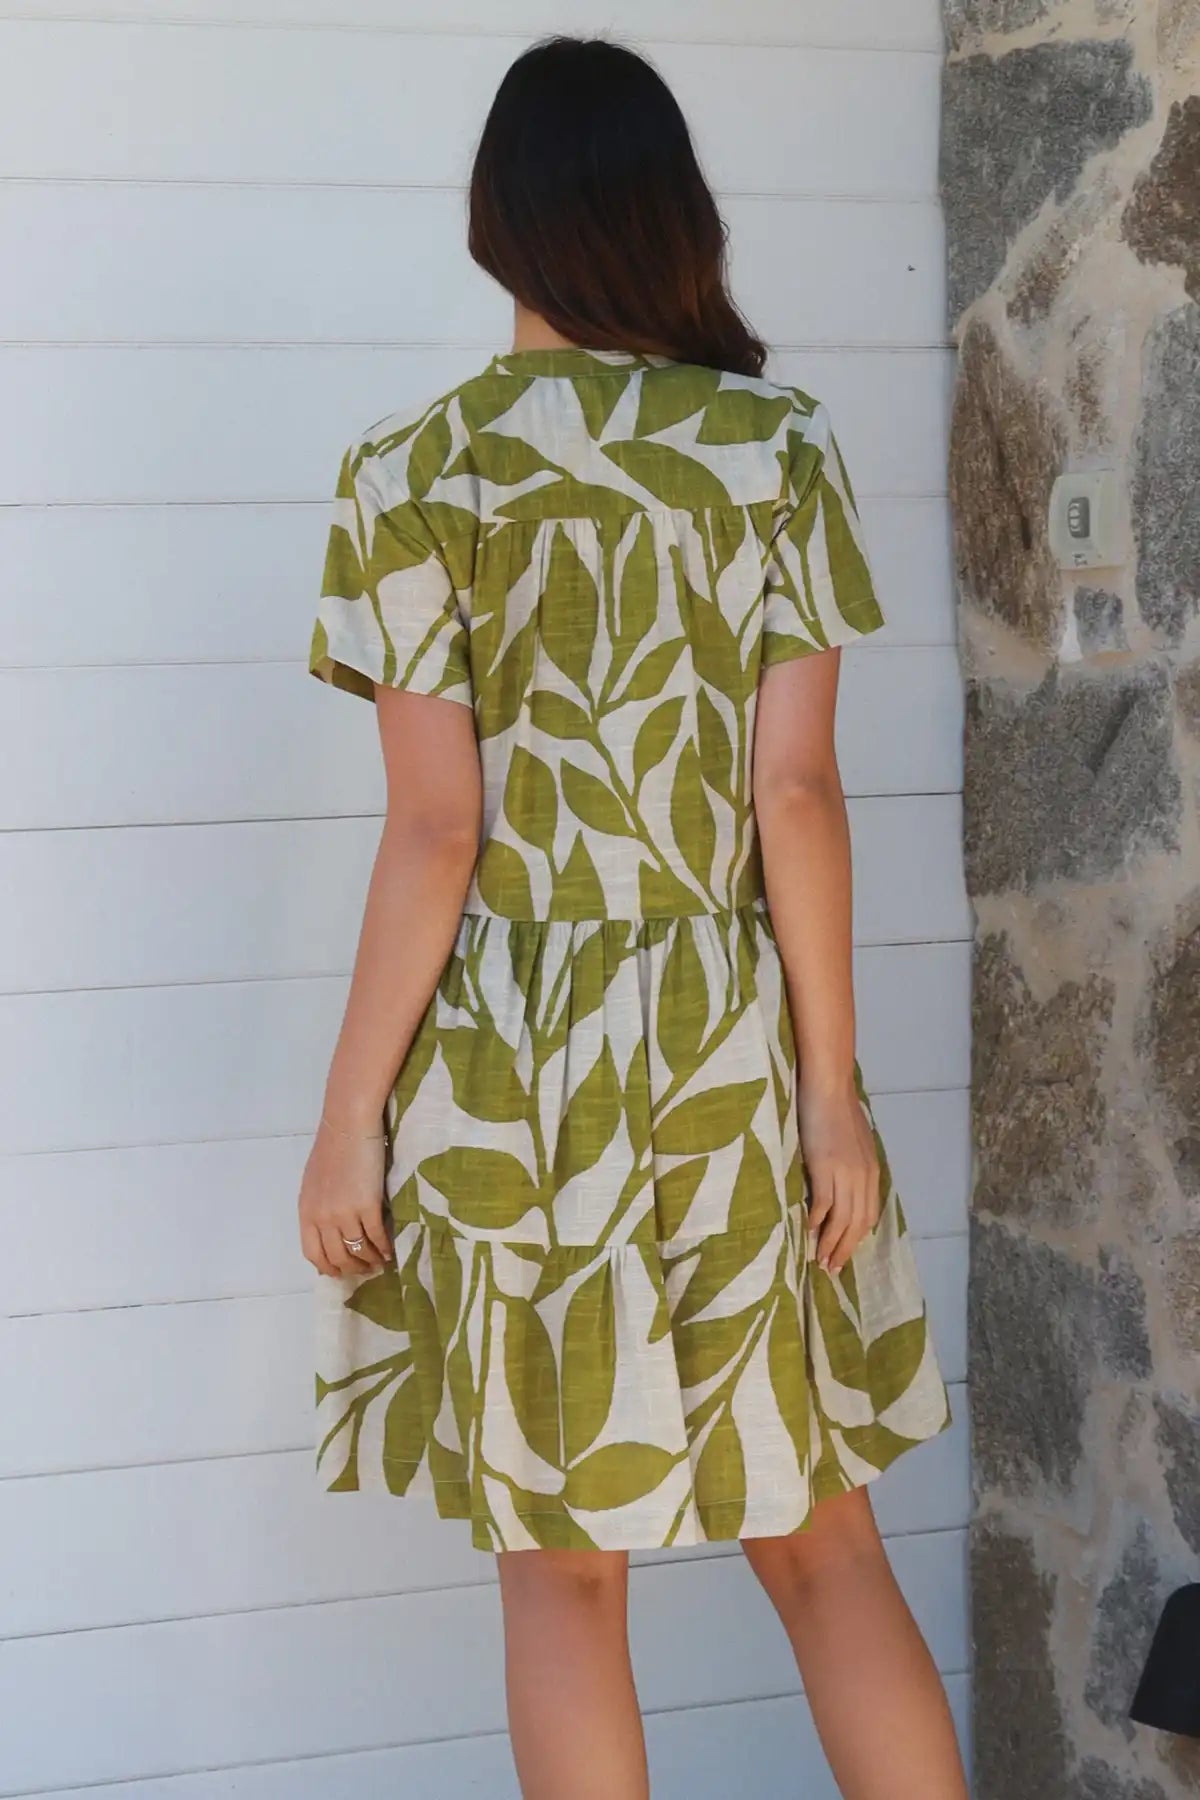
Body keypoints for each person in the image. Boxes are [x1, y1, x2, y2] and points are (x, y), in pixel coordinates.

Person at [298, 31, 967, 1800]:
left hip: (510, 1080)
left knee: (562, 1574)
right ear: (671, 217)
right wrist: (833, 1094)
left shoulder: (410, 475)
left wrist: (348, 1119)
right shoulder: (774, 450)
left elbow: (438, 830)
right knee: (827, 1549)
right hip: (734, 1052)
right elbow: (797, 798)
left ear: (495, 221)